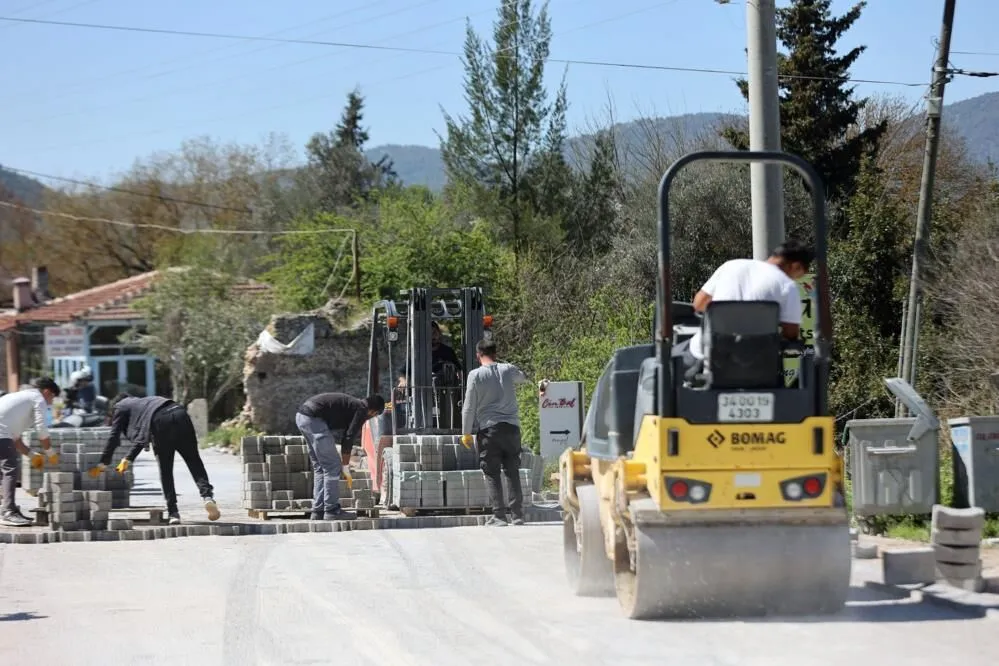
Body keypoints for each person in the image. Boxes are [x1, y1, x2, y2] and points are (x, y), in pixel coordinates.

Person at [676, 239, 814, 377]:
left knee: (668, 360)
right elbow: (790, 335)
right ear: (796, 267)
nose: (796, 279)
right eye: (799, 276)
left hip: (706, 358)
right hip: (757, 368)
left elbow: (699, 304)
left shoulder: (731, 266)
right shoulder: (788, 286)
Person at [89, 394, 220, 525]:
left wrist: (103, 463)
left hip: (160, 422)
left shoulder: (120, 407)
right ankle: (207, 496)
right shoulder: (145, 402)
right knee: (194, 461)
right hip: (180, 412)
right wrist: (128, 458)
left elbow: (114, 436)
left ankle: (173, 512)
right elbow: (143, 434)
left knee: (166, 470)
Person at [460, 339, 545, 527]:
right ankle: (517, 515)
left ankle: (499, 516)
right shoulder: (508, 369)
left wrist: (466, 432)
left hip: (489, 430)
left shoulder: (475, 375)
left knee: (492, 472)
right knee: (512, 471)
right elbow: (523, 377)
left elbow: (469, 406)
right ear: (495, 353)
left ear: (477, 355)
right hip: (512, 429)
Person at [295, 392, 386, 520]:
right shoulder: (361, 410)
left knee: (321, 467)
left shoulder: (354, 405)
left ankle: (318, 510)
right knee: (333, 466)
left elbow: (345, 438)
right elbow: (348, 438)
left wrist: (345, 464)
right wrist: (345, 467)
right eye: (375, 415)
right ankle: (332, 510)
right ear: (373, 412)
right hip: (313, 419)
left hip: (302, 417)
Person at [0, 378, 61, 527]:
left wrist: (32, 455)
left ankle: (8, 509)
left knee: (3, 472)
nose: (51, 403)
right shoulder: (37, 398)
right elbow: (41, 429)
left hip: (3, 434)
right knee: (10, 470)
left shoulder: (20, 397)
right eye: (52, 397)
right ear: (47, 392)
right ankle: (8, 512)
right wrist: (50, 451)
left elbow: (16, 439)